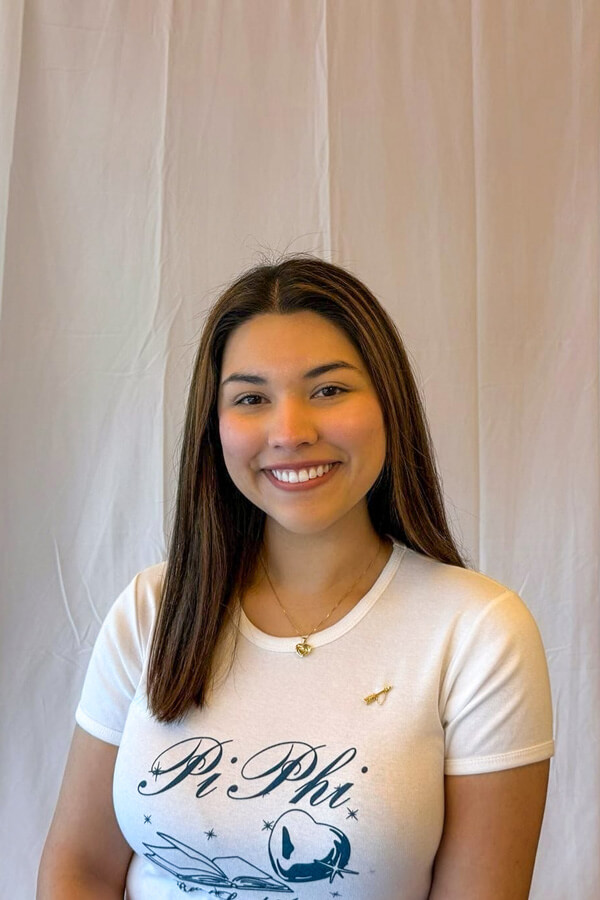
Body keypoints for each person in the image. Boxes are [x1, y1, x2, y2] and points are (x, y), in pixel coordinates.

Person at [38, 255, 554, 899]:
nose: (290, 431)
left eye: (329, 390)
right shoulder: (152, 608)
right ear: (214, 425)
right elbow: (78, 870)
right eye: (252, 398)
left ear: (388, 403)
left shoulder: (478, 632)